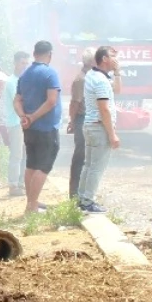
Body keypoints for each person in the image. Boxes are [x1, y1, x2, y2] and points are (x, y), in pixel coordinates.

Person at [14, 41, 61, 216]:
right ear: (50, 54)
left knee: (31, 165)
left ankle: (31, 203)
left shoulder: (25, 74)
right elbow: (51, 101)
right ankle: (32, 205)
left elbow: (17, 100)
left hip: (29, 129)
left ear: (34, 54)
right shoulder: (50, 73)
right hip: (46, 128)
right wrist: (32, 117)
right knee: (43, 167)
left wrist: (23, 116)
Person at [77, 47, 121, 213]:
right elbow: (104, 109)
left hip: (90, 126)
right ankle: (88, 202)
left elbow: (117, 90)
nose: (116, 59)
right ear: (104, 59)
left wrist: (117, 72)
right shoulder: (101, 81)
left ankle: (82, 199)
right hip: (99, 127)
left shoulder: (93, 75)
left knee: (88, 165)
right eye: (113, 56)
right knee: (97, 167)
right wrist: (112, 134)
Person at [3, 51, 29, 197]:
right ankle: (13, 185)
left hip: (23, 121)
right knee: (16, 154)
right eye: (22, 63)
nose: (24, 66)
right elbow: (18, 102)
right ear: (15, 63)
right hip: (15, 122)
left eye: (26, 63)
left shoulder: (22, 80)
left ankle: (20, 183)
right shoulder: (12, 81)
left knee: (24, 153)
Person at [66, 57, 91, 200]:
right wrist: (73, 121)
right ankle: (74, 194)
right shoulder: (81, 79)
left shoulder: (90, 77)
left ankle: (82, 193)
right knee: (80, 157)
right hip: (82, 119)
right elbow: (75, 103)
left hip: (87, 119)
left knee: (87, 158)